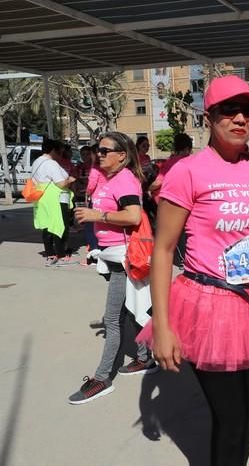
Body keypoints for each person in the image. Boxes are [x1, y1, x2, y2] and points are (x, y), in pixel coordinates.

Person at [136, 76, 249, 466]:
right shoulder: (188, 171)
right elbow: (163, 251)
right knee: (230, 418)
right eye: (229, 110)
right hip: (208, 305)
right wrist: (163, 327)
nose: (240, 118)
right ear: (209, 116)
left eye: (248, 111)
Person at [69, 132, 156, 404]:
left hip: (125, 259)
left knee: (112, 319)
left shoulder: (125, 179)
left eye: (106, 150)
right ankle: (144, 358)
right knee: (130, 310)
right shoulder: (108, 179)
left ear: (122, 155)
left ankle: (102, 378)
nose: (99, 154)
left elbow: (132, 215)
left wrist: (98, 215)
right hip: (113, 255)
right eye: (98, 149)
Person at [31, 139, 76, 266]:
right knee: (59, 224)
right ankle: (61, 253)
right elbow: (61, 183)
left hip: (42, 197)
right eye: (60, 153)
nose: (61, 156)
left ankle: (49, 252)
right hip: (55, 198)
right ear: (53, 151)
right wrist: (71, 179)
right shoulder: (51, 164)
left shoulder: (37, 162)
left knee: (47, 225)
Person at [148, 132, 193, 203]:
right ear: (187, 148)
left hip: (168, 201)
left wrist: (149, 190)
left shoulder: (170, 163)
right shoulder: (193, 162)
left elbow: (158, 182)